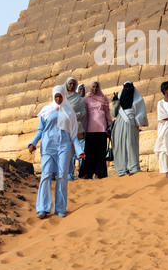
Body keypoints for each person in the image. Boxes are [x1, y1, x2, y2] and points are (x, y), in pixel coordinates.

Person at [28, 85, 85, 219]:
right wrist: (33, 142)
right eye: (56, 96)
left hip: (64, 147)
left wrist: (80, 150)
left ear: (64, 96)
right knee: (46, 175)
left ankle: (60, 208)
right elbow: (40, 130)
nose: (58, 99)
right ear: (53, 97)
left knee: (62, 176)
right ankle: (42, 208)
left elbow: (73, 135)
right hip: (48, 147)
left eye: (60, 96)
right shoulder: (46, 111)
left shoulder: (69, 112)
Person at [111, 81, 148, 177]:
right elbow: (113, 114)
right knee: (120, 145)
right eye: (126, 88)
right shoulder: (119, 98)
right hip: (120, 123)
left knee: (131, 145)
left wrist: (136, 121)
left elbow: (141, 113)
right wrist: (115, 102)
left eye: (129, 88)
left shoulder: (137, 99)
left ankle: (133, 167)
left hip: (131, 123)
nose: (127, 90)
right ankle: (122, 169)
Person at [79, 81, 112, 179]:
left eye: (97, 87)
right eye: (93, 87)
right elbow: (85, 116)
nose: (95, 88)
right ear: (90, 88)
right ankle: (87, 173)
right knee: (89, 152)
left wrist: (109, 126)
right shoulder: (87, 100)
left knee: (101, 153)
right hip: (90, 129)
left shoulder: (104, 98)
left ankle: (99, 173)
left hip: (102, 129)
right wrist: (82, 128)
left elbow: (107, 113)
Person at [63, 77, 87, 180]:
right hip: (64, 127)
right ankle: (66, 174)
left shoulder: (79, 99)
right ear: (66, 85)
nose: (71, 86)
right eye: (70, 84)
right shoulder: (62, 96)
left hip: (76, 128)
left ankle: (73, 173)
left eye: (73, 84)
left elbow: (84, 112)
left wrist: (74, 116)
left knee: (74, 150)